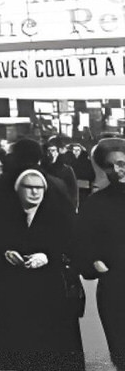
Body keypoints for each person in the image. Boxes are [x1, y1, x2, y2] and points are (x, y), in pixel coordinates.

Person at [0, 167, 84, 371]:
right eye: (29, 187)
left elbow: (75, 246)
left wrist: (49, 257)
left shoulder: (60, 214)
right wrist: (4, 255)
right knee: (17, 346)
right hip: (13, 290)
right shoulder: (0, 214)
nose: (35, 192)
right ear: (18, 189)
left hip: (50, 291)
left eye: (39, 188)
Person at [74, 136, 125, 369]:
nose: (118, 169)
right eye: (111, 165)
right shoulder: (95, 204)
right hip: (116, 289)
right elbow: (82, 242)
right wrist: (93, 262)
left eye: (123, 162)